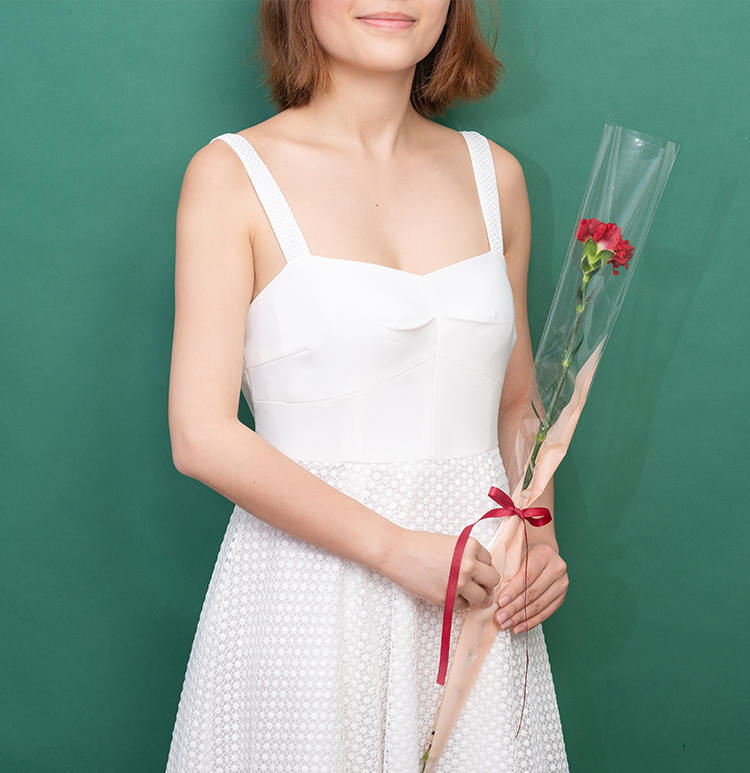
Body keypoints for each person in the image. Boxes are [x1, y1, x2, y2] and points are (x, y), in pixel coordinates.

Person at [165, 1, 570, 770]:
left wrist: (540, 538)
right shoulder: (231, 175)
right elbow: (201, 435)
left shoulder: (497, 177)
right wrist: (396, 550)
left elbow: (516, 401)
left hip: (476, 592)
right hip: (307, 599)